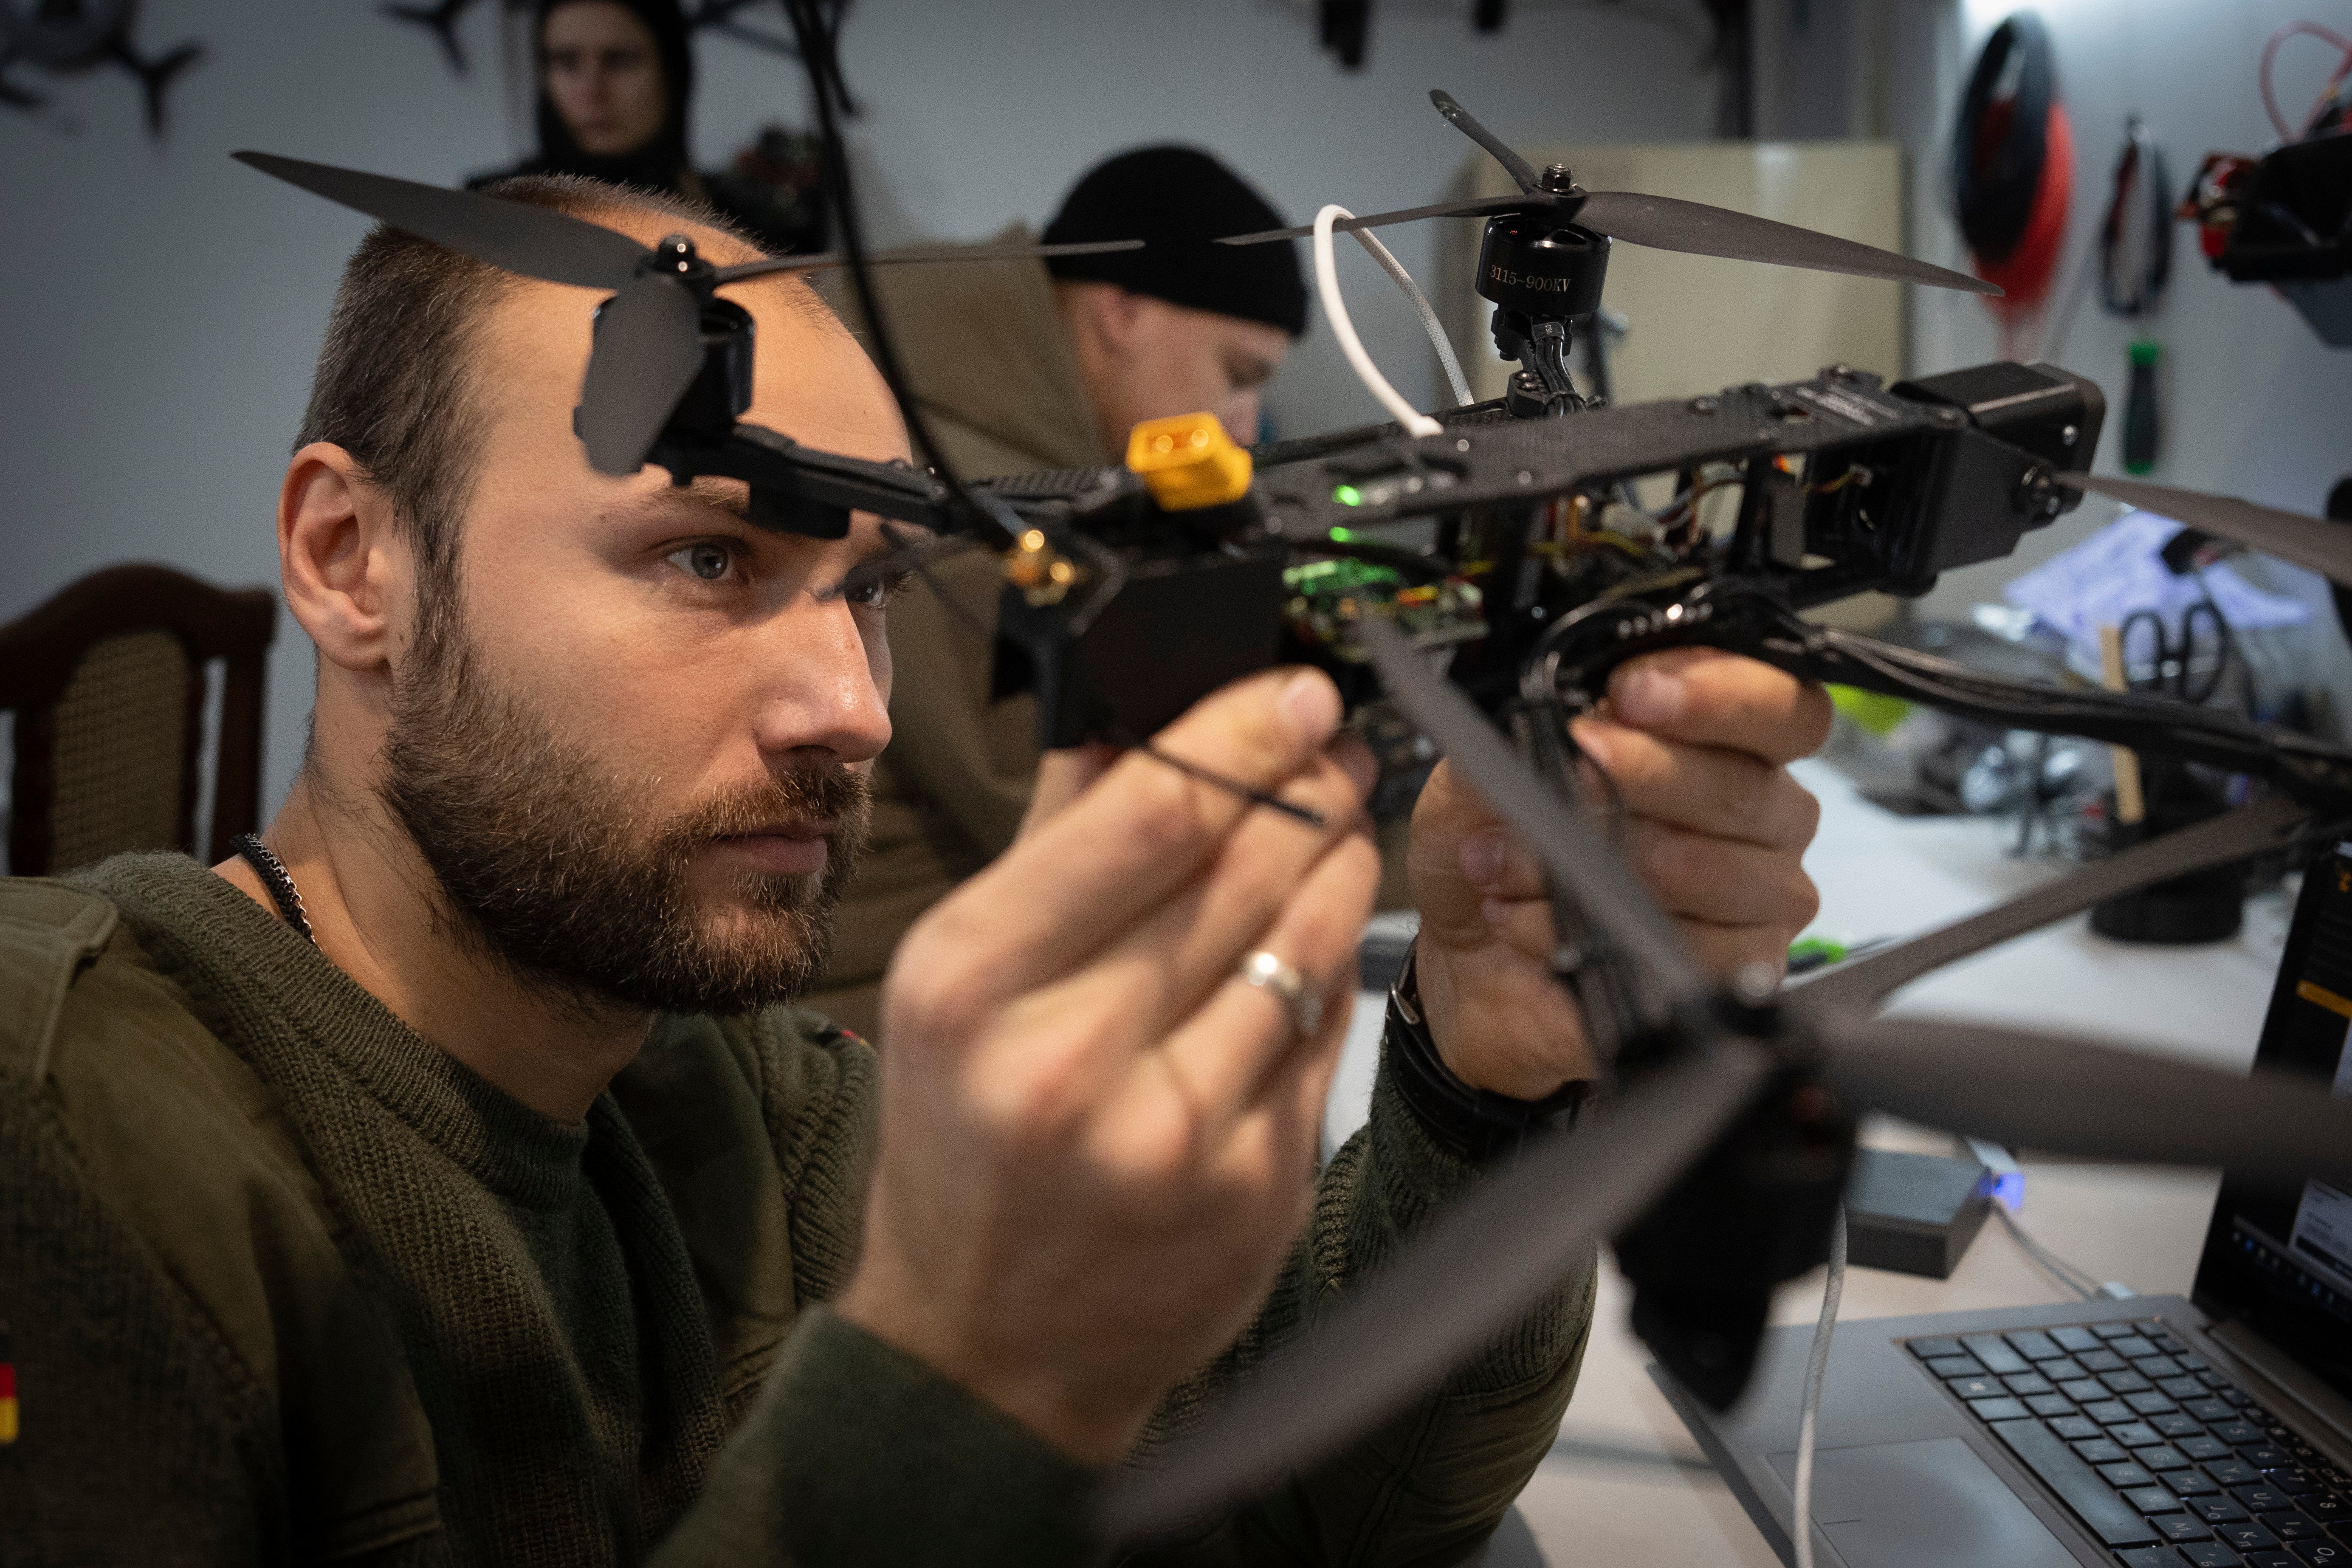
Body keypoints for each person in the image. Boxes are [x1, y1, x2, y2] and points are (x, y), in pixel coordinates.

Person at [0, 176, 1830, 1564]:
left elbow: (1315, 1496)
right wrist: (964, 1376)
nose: (850, 705)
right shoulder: (64, 1138)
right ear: (348, 559)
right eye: (709, 560)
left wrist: (1479, 1073)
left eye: (869, 591)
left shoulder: (733, 1094)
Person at [810, 145, 1314, 1037]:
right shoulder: (953, 486)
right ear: (1121, 311)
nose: (1243, 429)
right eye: (1237, 376)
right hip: (861, 1047)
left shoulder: (988, 426)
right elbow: (1086, 810)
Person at [469, 0, 829, 254]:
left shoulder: (744, 220)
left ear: (672, 74)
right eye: (566, 62)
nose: (591, 90)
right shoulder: (487, 213)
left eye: (620, 61)